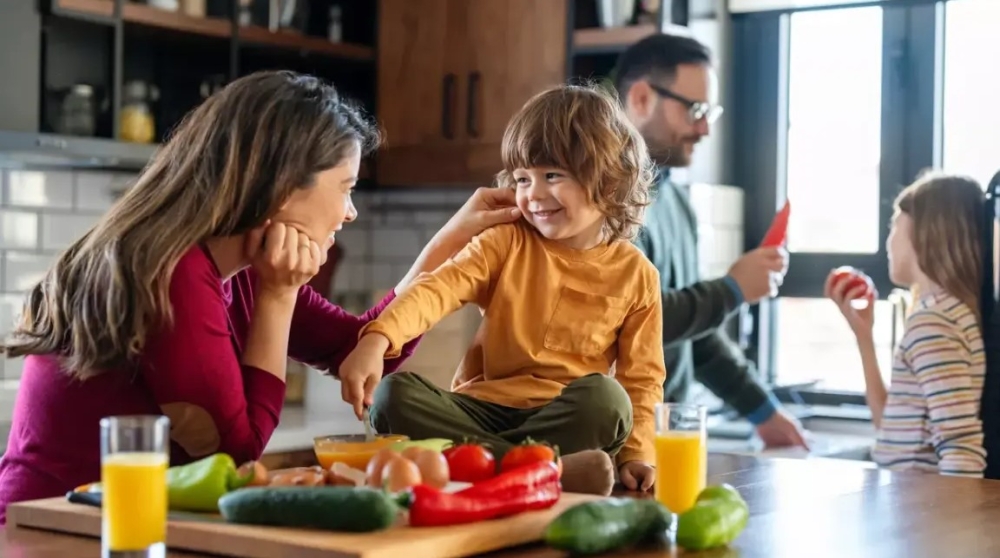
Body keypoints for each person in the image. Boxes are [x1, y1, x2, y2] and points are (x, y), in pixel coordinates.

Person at [0, 70, 522, 522]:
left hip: (125, 526)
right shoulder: (175, 272)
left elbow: (360, 349)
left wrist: (447, 244)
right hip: (55, 534)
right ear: (283, 185)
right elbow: (236, 450)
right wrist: (279, 295)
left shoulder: (241, 268)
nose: (350, 211)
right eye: (346, 187)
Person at [338, 84, 666, 495]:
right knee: (392, 396)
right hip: (480, 411)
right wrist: (378, 337)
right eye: (523, 178)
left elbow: (642, 380)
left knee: (608, 401)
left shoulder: (638, 275)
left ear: (610, 180)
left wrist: (638, 454)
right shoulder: (504, 241)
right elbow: (438, 289)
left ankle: (483, 465)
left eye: (552, 175)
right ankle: (541, 470)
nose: (534, 194)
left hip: (564, 416)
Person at [613, 33, 807, 447]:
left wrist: (763, 411)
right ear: (642, 98)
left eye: (709, 113)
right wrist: (731, 290)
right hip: (618, 442)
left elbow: (693, 334)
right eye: (695, 110)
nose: (704, 128)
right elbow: (630, 320)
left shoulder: (677, 202)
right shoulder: (605, 200)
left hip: (666, 438)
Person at [826, 172, 986, 477]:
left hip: (921, 511)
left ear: (924, 234)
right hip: (911, 503)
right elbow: (888, 429)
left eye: (894, 225)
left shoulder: (935, 322)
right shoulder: (939, 314)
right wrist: (864, 336)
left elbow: (960, 447)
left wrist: (957, 524)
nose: (889, 241)